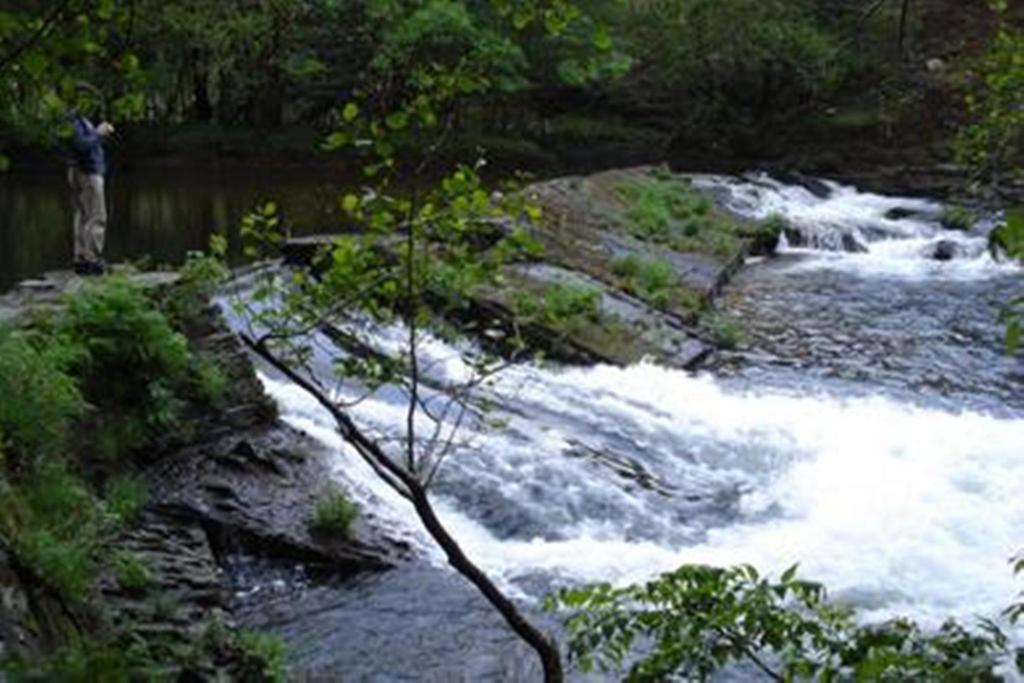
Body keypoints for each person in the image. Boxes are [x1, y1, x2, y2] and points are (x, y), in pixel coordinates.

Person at [67, 94, 114, 276]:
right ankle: (91, 258)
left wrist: (96, 134)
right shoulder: (74, 120)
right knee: (97, 215)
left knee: (82, 214)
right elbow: (82, 146)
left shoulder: (76, 120)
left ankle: (81, 257)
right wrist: (99, 133)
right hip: (87, 172)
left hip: (81, 171)